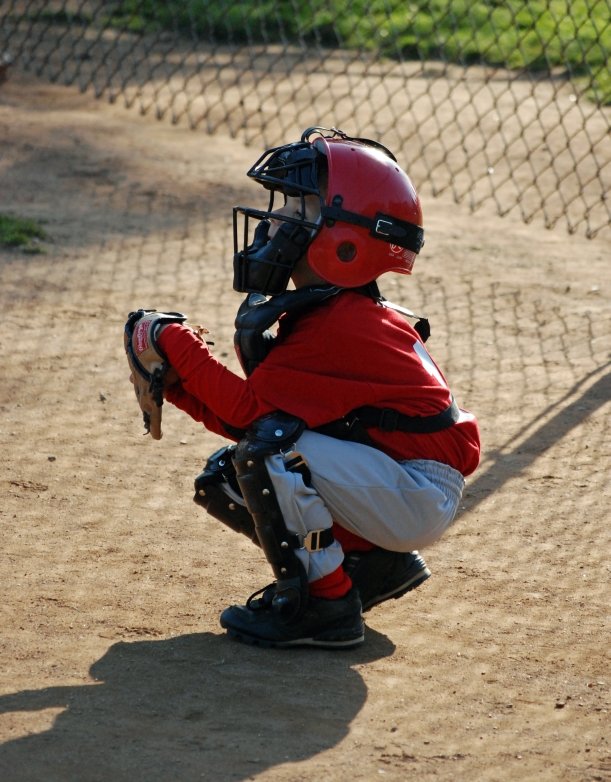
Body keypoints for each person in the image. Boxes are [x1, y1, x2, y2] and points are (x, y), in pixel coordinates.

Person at [151, 126, 480, 650]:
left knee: (269, 454)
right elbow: (248, 418)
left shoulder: (341, 322)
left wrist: (170, 339)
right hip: (400, 479)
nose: (274, 222)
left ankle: (326, 607)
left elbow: (253, 419)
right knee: (228, 475)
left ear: (347, 242)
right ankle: (371, 567)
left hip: (417, 489)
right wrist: (176, 383)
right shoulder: (333, 308)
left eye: (298, 209)